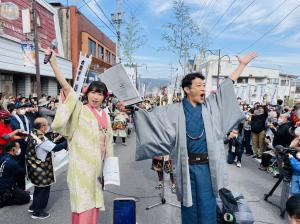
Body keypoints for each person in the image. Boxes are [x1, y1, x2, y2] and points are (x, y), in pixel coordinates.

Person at [135, 52, 257, 224]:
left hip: (208, 167)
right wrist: (134, 111)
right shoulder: (172, 110)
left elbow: (225, 88)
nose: (203, 89)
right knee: (189, 207)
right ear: (187, 89)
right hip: (186, 166)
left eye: (204, 85)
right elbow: (151, 118)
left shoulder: (210, 107)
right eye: (199, 85)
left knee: (208, 205)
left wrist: (242, 65)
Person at [48, 49, 114, 224]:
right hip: (81, 167)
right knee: (83, 205)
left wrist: (109, 167)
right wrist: (54, 64)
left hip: (98, 168)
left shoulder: (105, 115)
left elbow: (109, 144)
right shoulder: (80, 110)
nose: (96, 96)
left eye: (100, 93)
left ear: (104, 97)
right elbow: (67, 89)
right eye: (93, 92)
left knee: (93, 204)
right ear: (87, 94)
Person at [26, 117, 67, 219]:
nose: (48, 126)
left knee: (38, 189)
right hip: (41, 169)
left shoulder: (34, 133)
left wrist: (57, 138)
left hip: (33, 167)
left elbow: (47, 144)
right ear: (42, 126)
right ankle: (38, 212)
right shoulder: (41, 139)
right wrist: (68, 141)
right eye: (46, 124)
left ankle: (34, 206)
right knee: (43, 190)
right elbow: (55, 148)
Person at [0, 141, 30, 208]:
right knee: (27, 198)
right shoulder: (12, 163)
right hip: (7, 188)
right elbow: (23, 172)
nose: (19, 150)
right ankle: (4, 200)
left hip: (2, 184)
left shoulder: (3, 157)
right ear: (13, 149)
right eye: (18, 148)